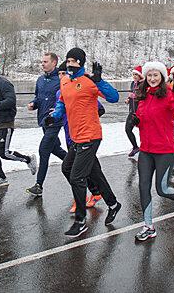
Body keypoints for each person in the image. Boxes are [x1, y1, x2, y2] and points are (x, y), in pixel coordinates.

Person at [44, 48, 121, 237]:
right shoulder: (64, 81)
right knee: (75, 169)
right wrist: (54, 116)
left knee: (77, 176)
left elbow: (114, 97)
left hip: (91, 135)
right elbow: (62, 102)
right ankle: (113, 203)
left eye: (74, 61)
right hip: (76, 136)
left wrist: (100, 81)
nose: (70, 64)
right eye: (68, 60)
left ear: (81, 63)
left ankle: (80, 221)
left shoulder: (89, 81)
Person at [132, 61, 174, 241]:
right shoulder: (144, 95)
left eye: (156, 75)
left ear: (162, 77)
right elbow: (143, 119)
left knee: (162, 189)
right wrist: (136, 121)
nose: (152, 78)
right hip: (146, 150)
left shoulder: (169, 94)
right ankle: (148, 226)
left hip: (164, 150)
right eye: (149, 75)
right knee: (143, 187)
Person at [54, 61, 106, 213]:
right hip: (70, 135)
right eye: (60, 74)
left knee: (78, 172)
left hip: (86, 136)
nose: (63, 76)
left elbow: (100, 108)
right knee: (91, 171)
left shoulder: (83, 87)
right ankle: (105, 198)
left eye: (64, 73)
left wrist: (87, 119)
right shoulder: (61, 90)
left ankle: (82, 204)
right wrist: (54, 115)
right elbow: (60, 108)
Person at [0, 55, 37, 189]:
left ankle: (28, 159)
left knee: (4, 153)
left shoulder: (3, 83)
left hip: (4, 124)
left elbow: (11, 102)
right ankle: (2, 178)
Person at [26, 53, 67, 196]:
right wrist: (34, 104)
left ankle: (38, 186)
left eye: (45, 61)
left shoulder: (61, 79)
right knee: (55, 149)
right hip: (43, 120)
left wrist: (58, 108)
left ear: (54, 63)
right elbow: (38, 97)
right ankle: (77, 165)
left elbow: (66, 98)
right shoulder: (40, 80)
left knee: (44, 150)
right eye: (41, 62)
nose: (42, 64)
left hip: (55, 121)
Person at [124, 66, 144, 157]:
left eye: (136, 74)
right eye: (133, 74)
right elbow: (131, 95)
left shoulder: (144, 84)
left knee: (143, 132)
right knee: (128, 129)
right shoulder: (133, 83)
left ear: (140, 75)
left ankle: (145, 149)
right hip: (132, 112)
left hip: (141, 113)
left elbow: (143, 96)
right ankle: (135, 147)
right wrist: (128, 99)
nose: (134, 76)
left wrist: (134, 96)